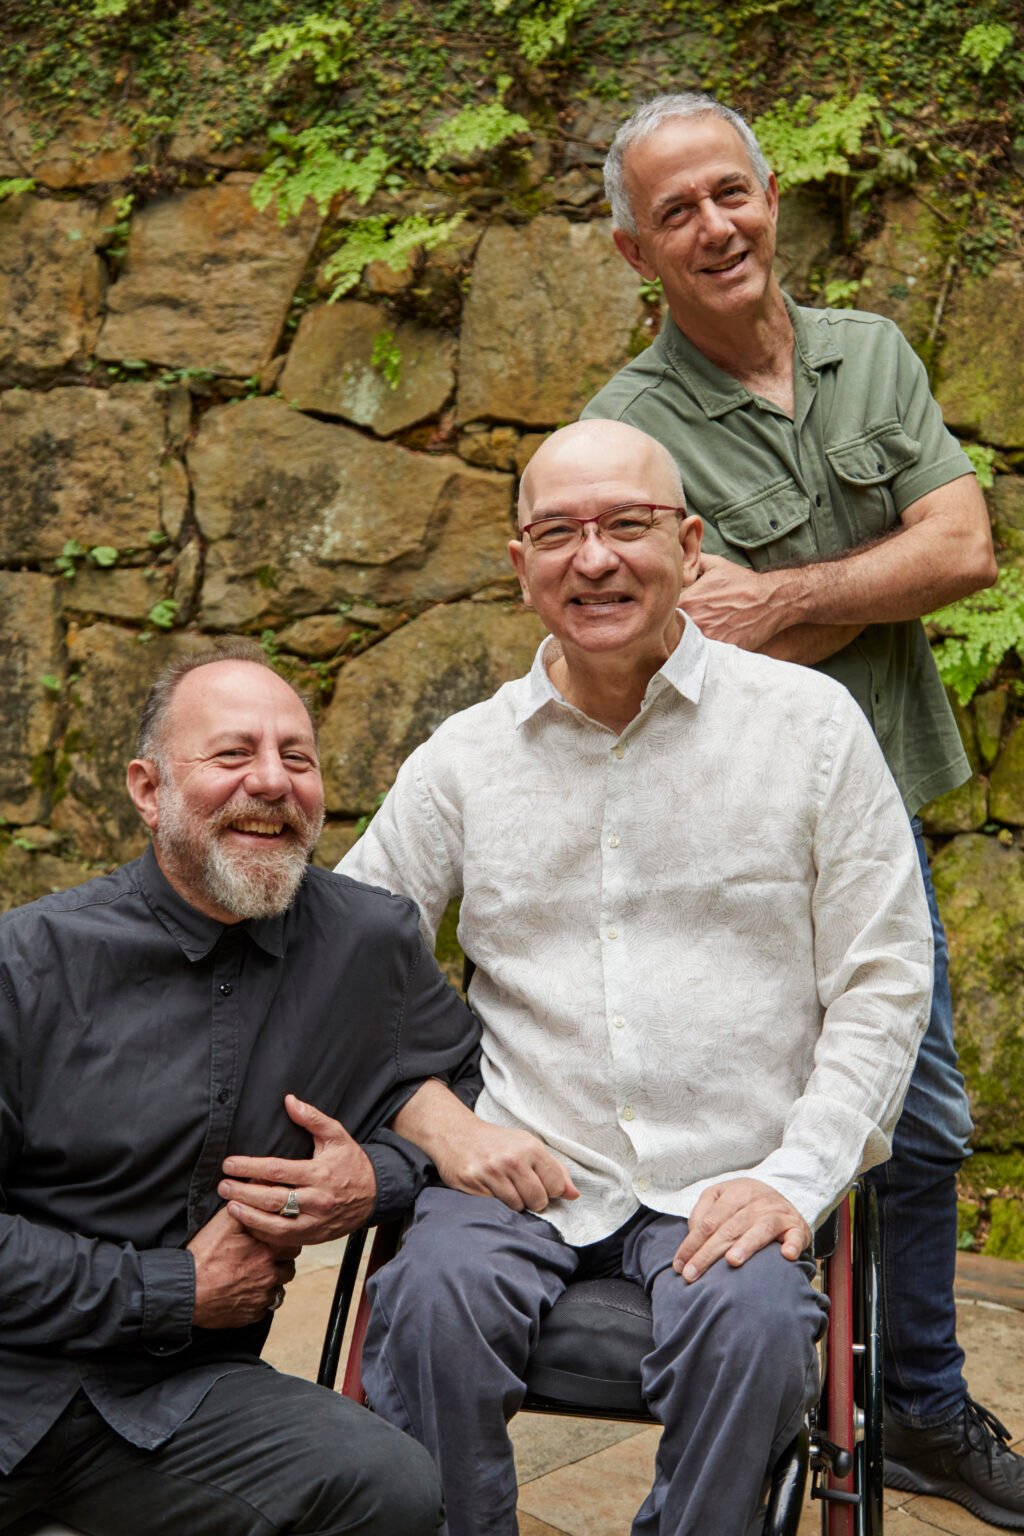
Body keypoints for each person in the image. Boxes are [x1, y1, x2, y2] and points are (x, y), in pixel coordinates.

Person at [338, 418, 933, 1536]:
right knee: (422, 1301)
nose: (594, 558)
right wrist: (435, 1122)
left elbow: (884, 978)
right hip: (524, 1168)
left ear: (691, 547)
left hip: (734, 1169)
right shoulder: (465, 759)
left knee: (757, 1329)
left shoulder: (809, 729)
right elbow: (341, 958)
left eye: (627, 524)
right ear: (520, 565)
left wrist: (797, 1177)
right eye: (558, 532)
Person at [580, 90, 1024, 1532]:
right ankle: (789, 1392)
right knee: (771, 1119)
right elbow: (673, 645)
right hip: (730, 835)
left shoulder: (869, 353)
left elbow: (964, 548)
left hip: (879, 819)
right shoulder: (625, 434)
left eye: (732, 192)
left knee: (921, 1124)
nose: (716, 226)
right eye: (676, 212)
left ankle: (913, 1404)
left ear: (772, 197)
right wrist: (868, 577)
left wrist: (777, 599)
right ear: (635, 252)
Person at [0, 641, 484, 1536]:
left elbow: (468, 1089)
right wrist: (174, 1287)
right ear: (148, 790)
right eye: (232, 754)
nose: (271, 781)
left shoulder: (366, 944)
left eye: (296, 757)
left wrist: (373, 1180)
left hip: (182, 1399)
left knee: (389, 1484)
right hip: (15, 1372)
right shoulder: (26, 963)